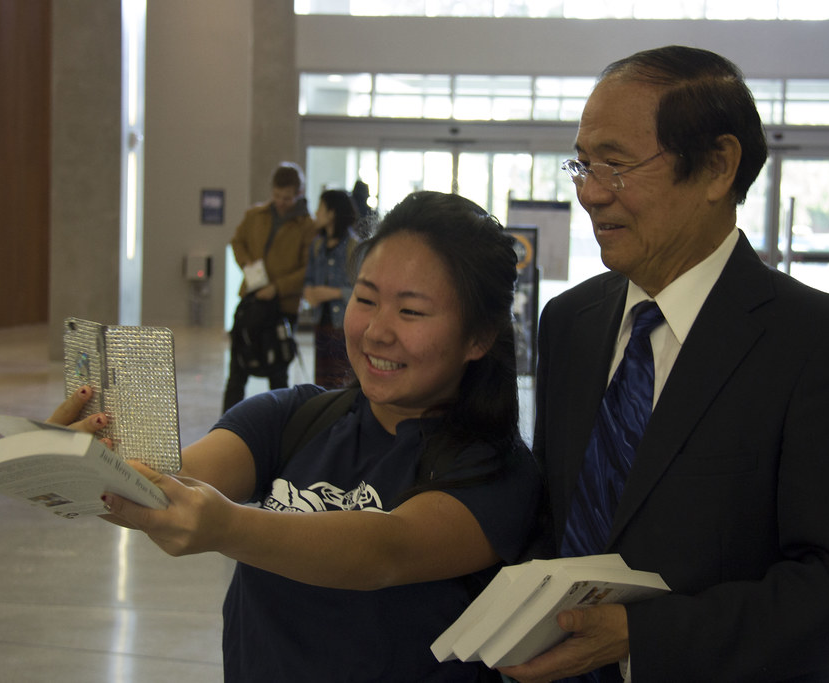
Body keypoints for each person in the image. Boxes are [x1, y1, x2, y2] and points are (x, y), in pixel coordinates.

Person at [502, 46, 829, 683]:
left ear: (718, 167)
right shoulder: (571, 322)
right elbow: (555, 515)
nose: (589, 194)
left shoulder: (824, 348)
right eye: (581, 164)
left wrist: (640, 637)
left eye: (616, 165)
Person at [54, 191, 542, 682]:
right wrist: (91, 464)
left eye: (410, 312)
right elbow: (166, 483)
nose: (376, 331)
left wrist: (228, 527)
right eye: (366, 299)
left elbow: (385, 552)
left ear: (478, 337)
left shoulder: (494, 471)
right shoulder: (292, 417)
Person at [223, 162, 315, 412]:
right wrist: (249, 266)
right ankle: (225, 427)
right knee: (237, 370)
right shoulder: (255, 216)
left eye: (287, 197)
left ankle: (278, 426)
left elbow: (308, 268)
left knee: (278, 371)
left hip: (283, 307)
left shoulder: (308, 227)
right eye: (276, 196)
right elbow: (237, 242)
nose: (281, 202)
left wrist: (278, 287)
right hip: (252, 301)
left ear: (298, 194)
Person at [303, 189, 360, 388]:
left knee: (343, 381)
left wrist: (331, 293)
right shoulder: (317, 245)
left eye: (320, 208)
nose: (316, 213)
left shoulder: (355, 247)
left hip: (344, 324)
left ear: (332, 213)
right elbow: (308, 278)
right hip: (321, 322)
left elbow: (362, 291)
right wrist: (309, 291)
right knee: (322, 381)